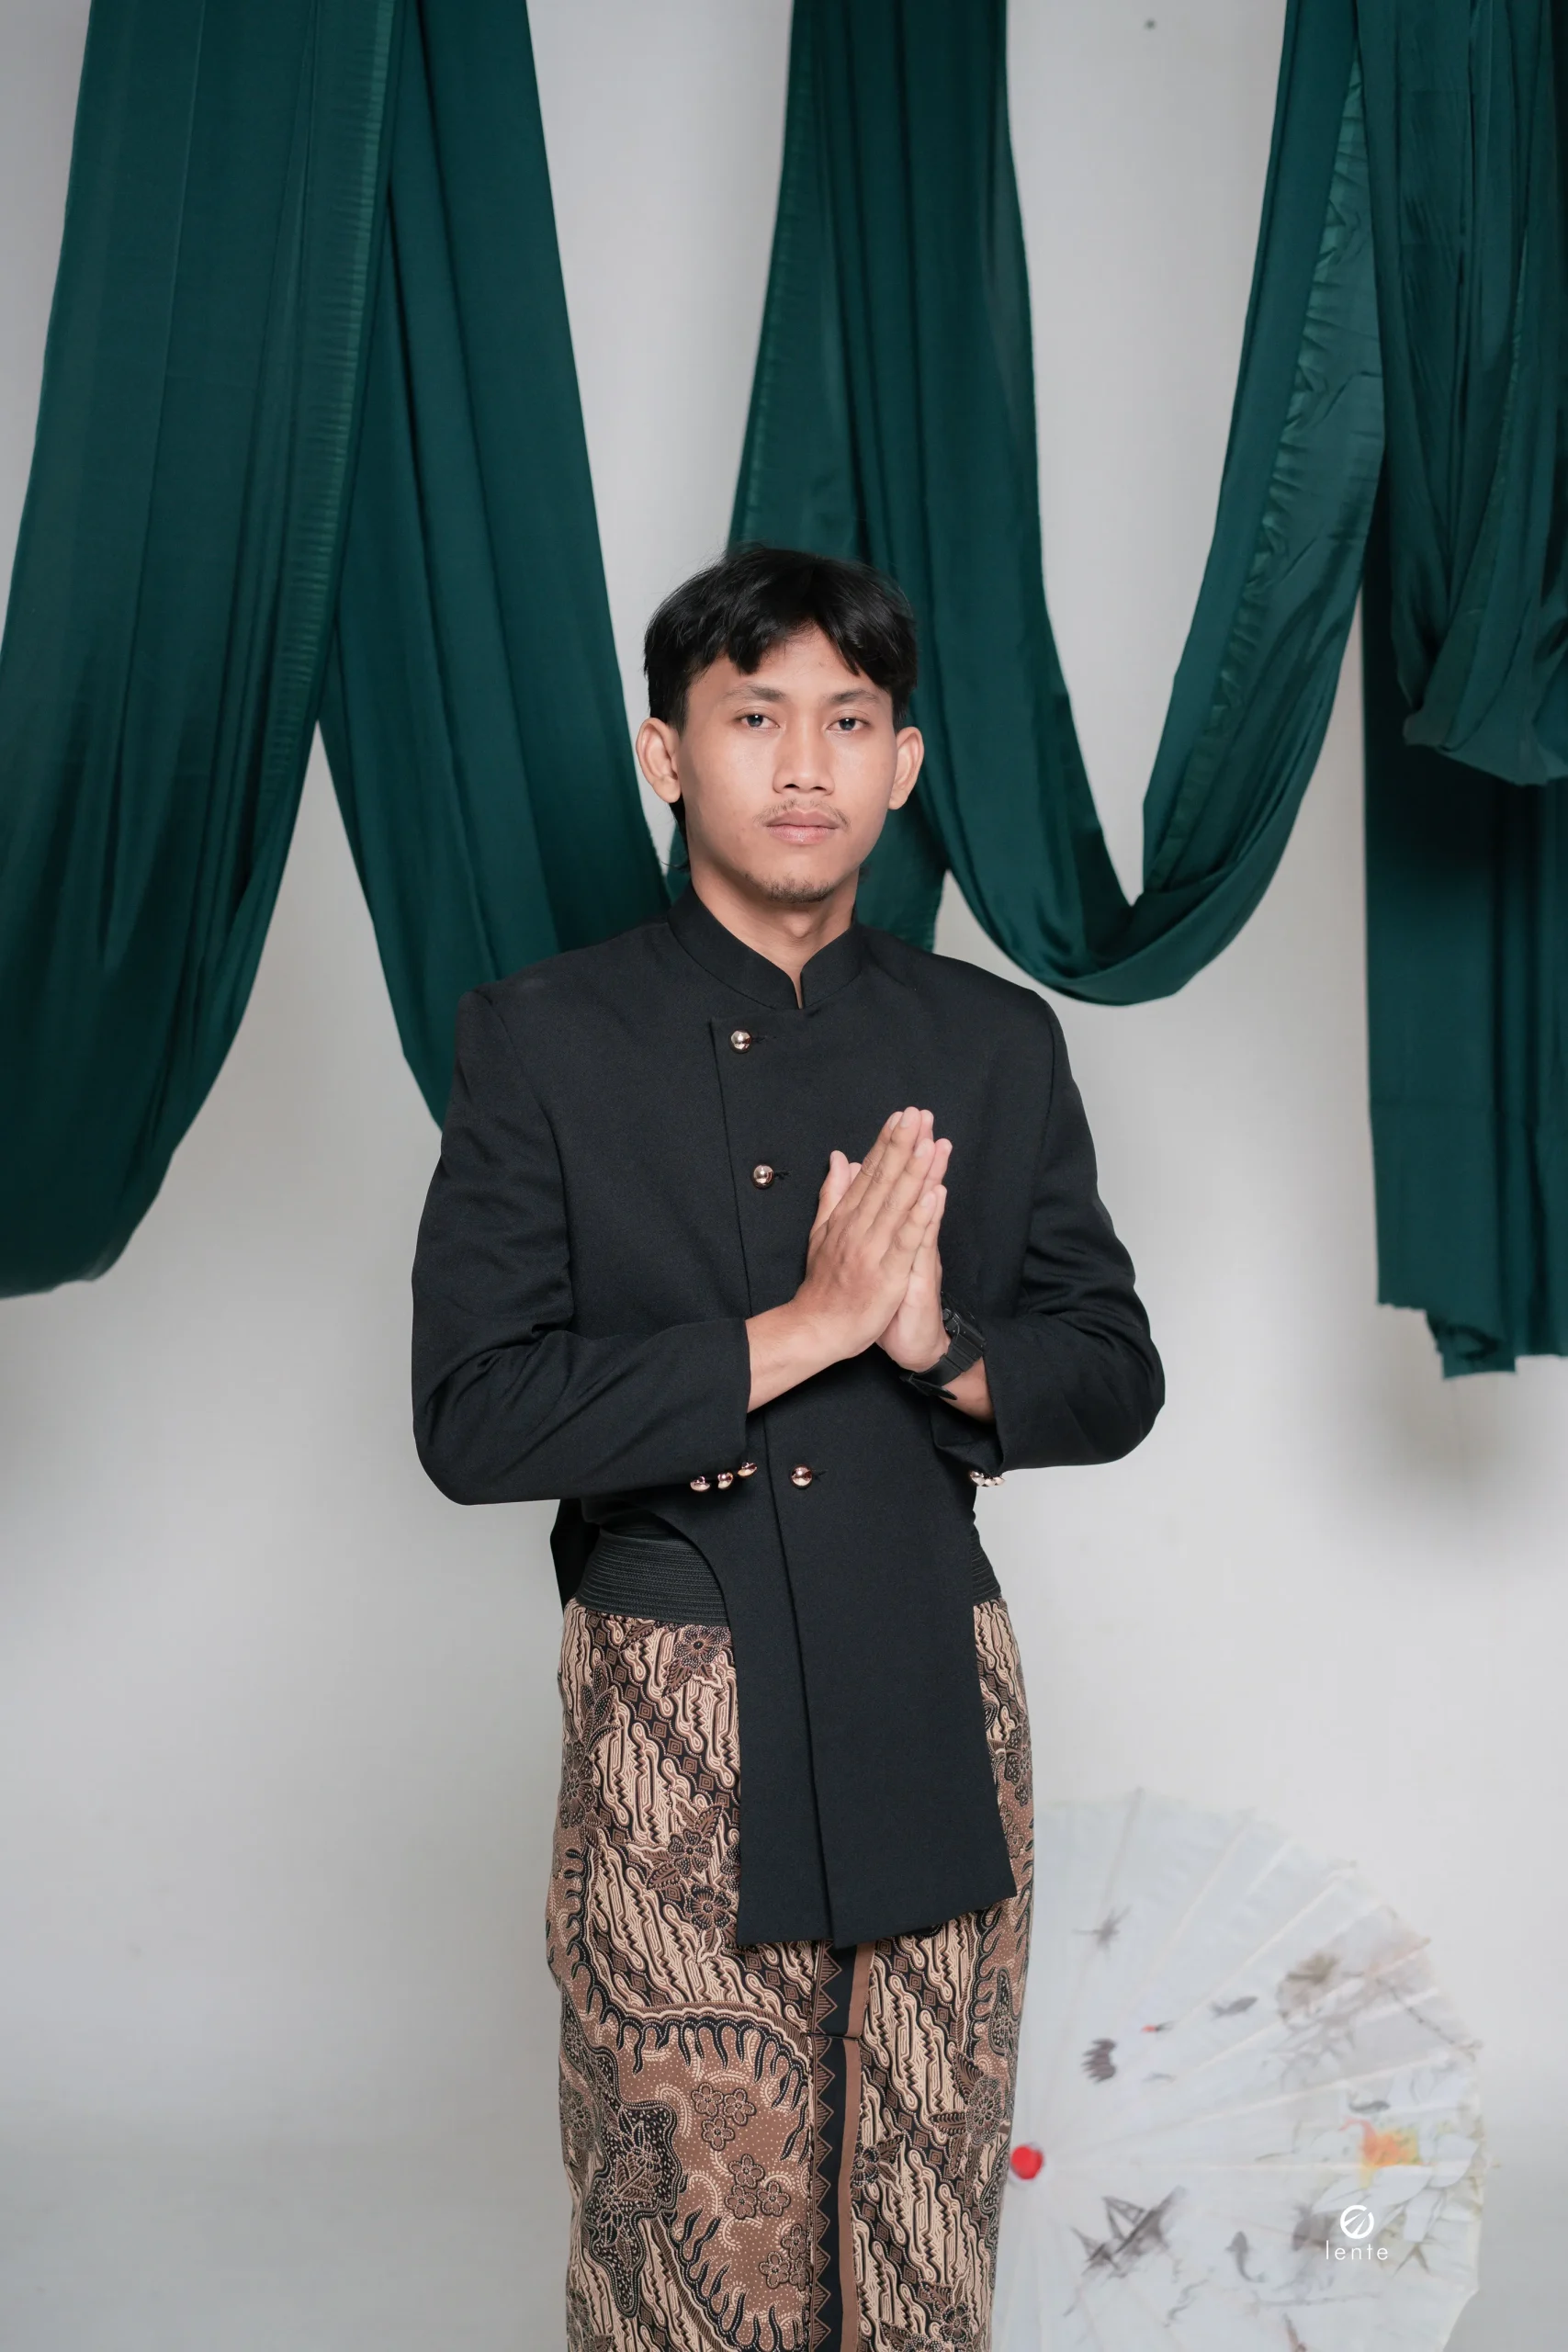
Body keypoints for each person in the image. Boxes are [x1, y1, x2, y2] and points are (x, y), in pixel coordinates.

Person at [411, 543, 1163, 2352]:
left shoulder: (993, 1041)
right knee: (691, 2228)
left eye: (849, 719)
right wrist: (805, 1329)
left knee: (921, 2221)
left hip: (932, 1668)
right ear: (667, 755)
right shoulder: (541, 1039)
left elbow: (1111, 1371)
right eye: (754, 718)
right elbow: (473, 1414)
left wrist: (938, 1346)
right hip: (679, 1686)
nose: (805, 763)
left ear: (904, 764)